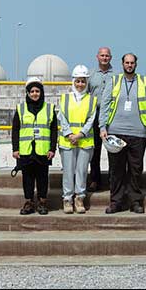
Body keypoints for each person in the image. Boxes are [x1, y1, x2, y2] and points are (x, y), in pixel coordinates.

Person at [99, 53, 146, 214]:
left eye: (132, 63)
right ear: (122, 64)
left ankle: (135, 201)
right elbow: (105, 104)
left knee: (135, 169)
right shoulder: (114, 81)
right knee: (116, 169)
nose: (129, 65)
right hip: (116, 132)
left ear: (136, 64)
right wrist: (102, 127)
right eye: (127, 62)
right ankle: (116, 202)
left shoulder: (144, 82)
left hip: (138, 133)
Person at [11, 77, 57, 215]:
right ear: (28, 93)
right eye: (32, 91)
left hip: (43, 150)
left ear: (41, 92)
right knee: (28, 178)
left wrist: (52, 148)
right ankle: (29, 202)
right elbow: (15, 129)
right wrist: (15, 149)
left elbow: (54, 130)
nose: (35, 94)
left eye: (37, 91)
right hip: (25, 150)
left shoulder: (49, 108)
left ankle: (42, 202)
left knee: (43, 177)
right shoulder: (21, 108)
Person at [57, 65, 97, 214]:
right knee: (68, 171)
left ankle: (79, 198)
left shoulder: (92, 100)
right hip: (67, 142)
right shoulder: (64, 98)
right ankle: (67, 199)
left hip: (84, 141)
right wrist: (69, 135)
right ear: (73, 81)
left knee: (81, 171)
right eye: (78, 81)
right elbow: (62, 118)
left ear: (87, 83)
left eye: (83, 81)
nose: (80, 84)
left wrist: (80, 134)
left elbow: (91, 120)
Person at [87, 47, 114, 192]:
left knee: (113, 149)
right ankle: (94, 180)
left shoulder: (116, 76)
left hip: (111, 115)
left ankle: (112, 180)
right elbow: (85, 95)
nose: (104, 58)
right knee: (95, 149)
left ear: (111, 58)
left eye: (107, 56)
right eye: (102, 55)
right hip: (95, 114)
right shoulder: (90, 75)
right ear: (97, 57)